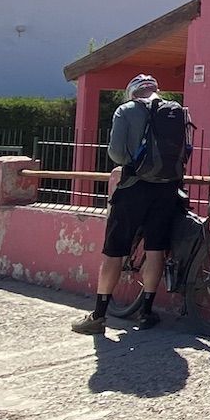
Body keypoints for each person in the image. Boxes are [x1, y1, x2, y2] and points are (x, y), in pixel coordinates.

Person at [72, 74, 188, 334]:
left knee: (114, 250)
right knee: (156, 249)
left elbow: (116, 153)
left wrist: (134, 160)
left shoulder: (125, 111)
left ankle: (98, 316)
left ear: (133, 92)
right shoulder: (176, 111)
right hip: (167, 188)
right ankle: (146, 312)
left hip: (133, 187)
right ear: (156, 91)